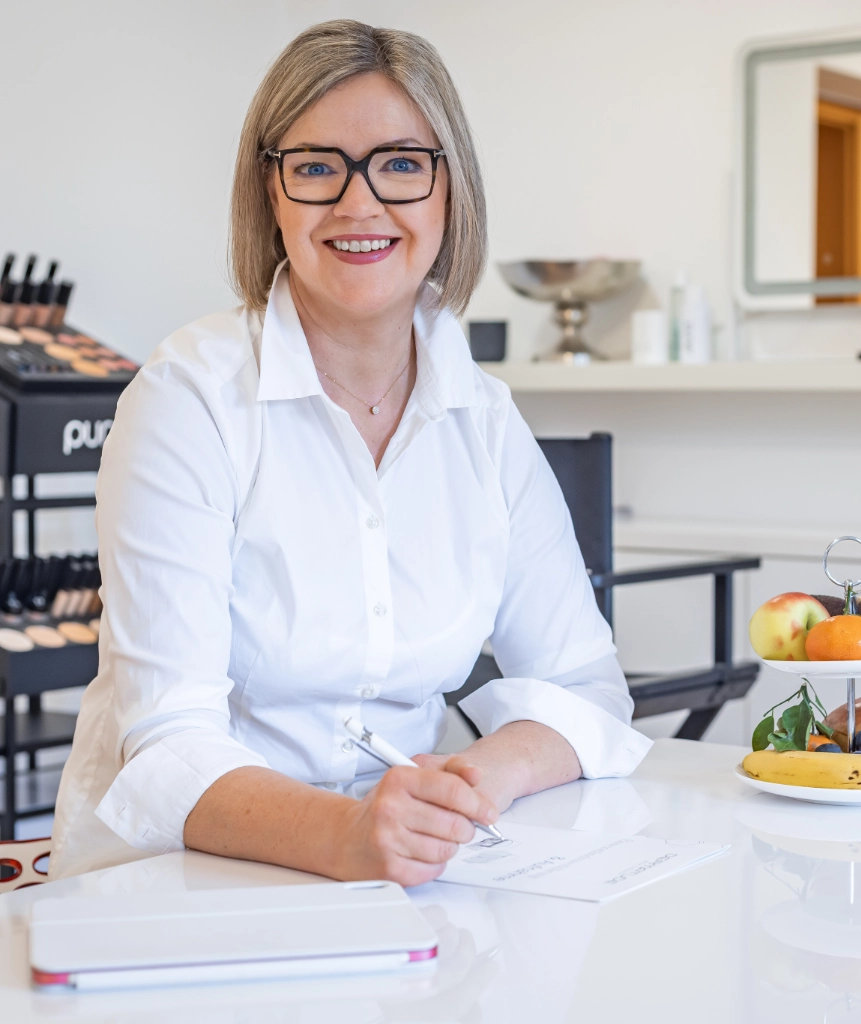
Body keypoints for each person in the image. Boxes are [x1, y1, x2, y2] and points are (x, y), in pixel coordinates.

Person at [50, 19, 651, 883]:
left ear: (452, 191)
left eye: (402, 164)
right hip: (177, 880)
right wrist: (348, 833)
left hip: (402, 871)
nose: (359, 203)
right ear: (271, 192)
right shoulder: (186, 400)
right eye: (317, 166)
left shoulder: (483, 420)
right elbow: (168, 741)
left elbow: (584, 686)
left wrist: (464, 786)